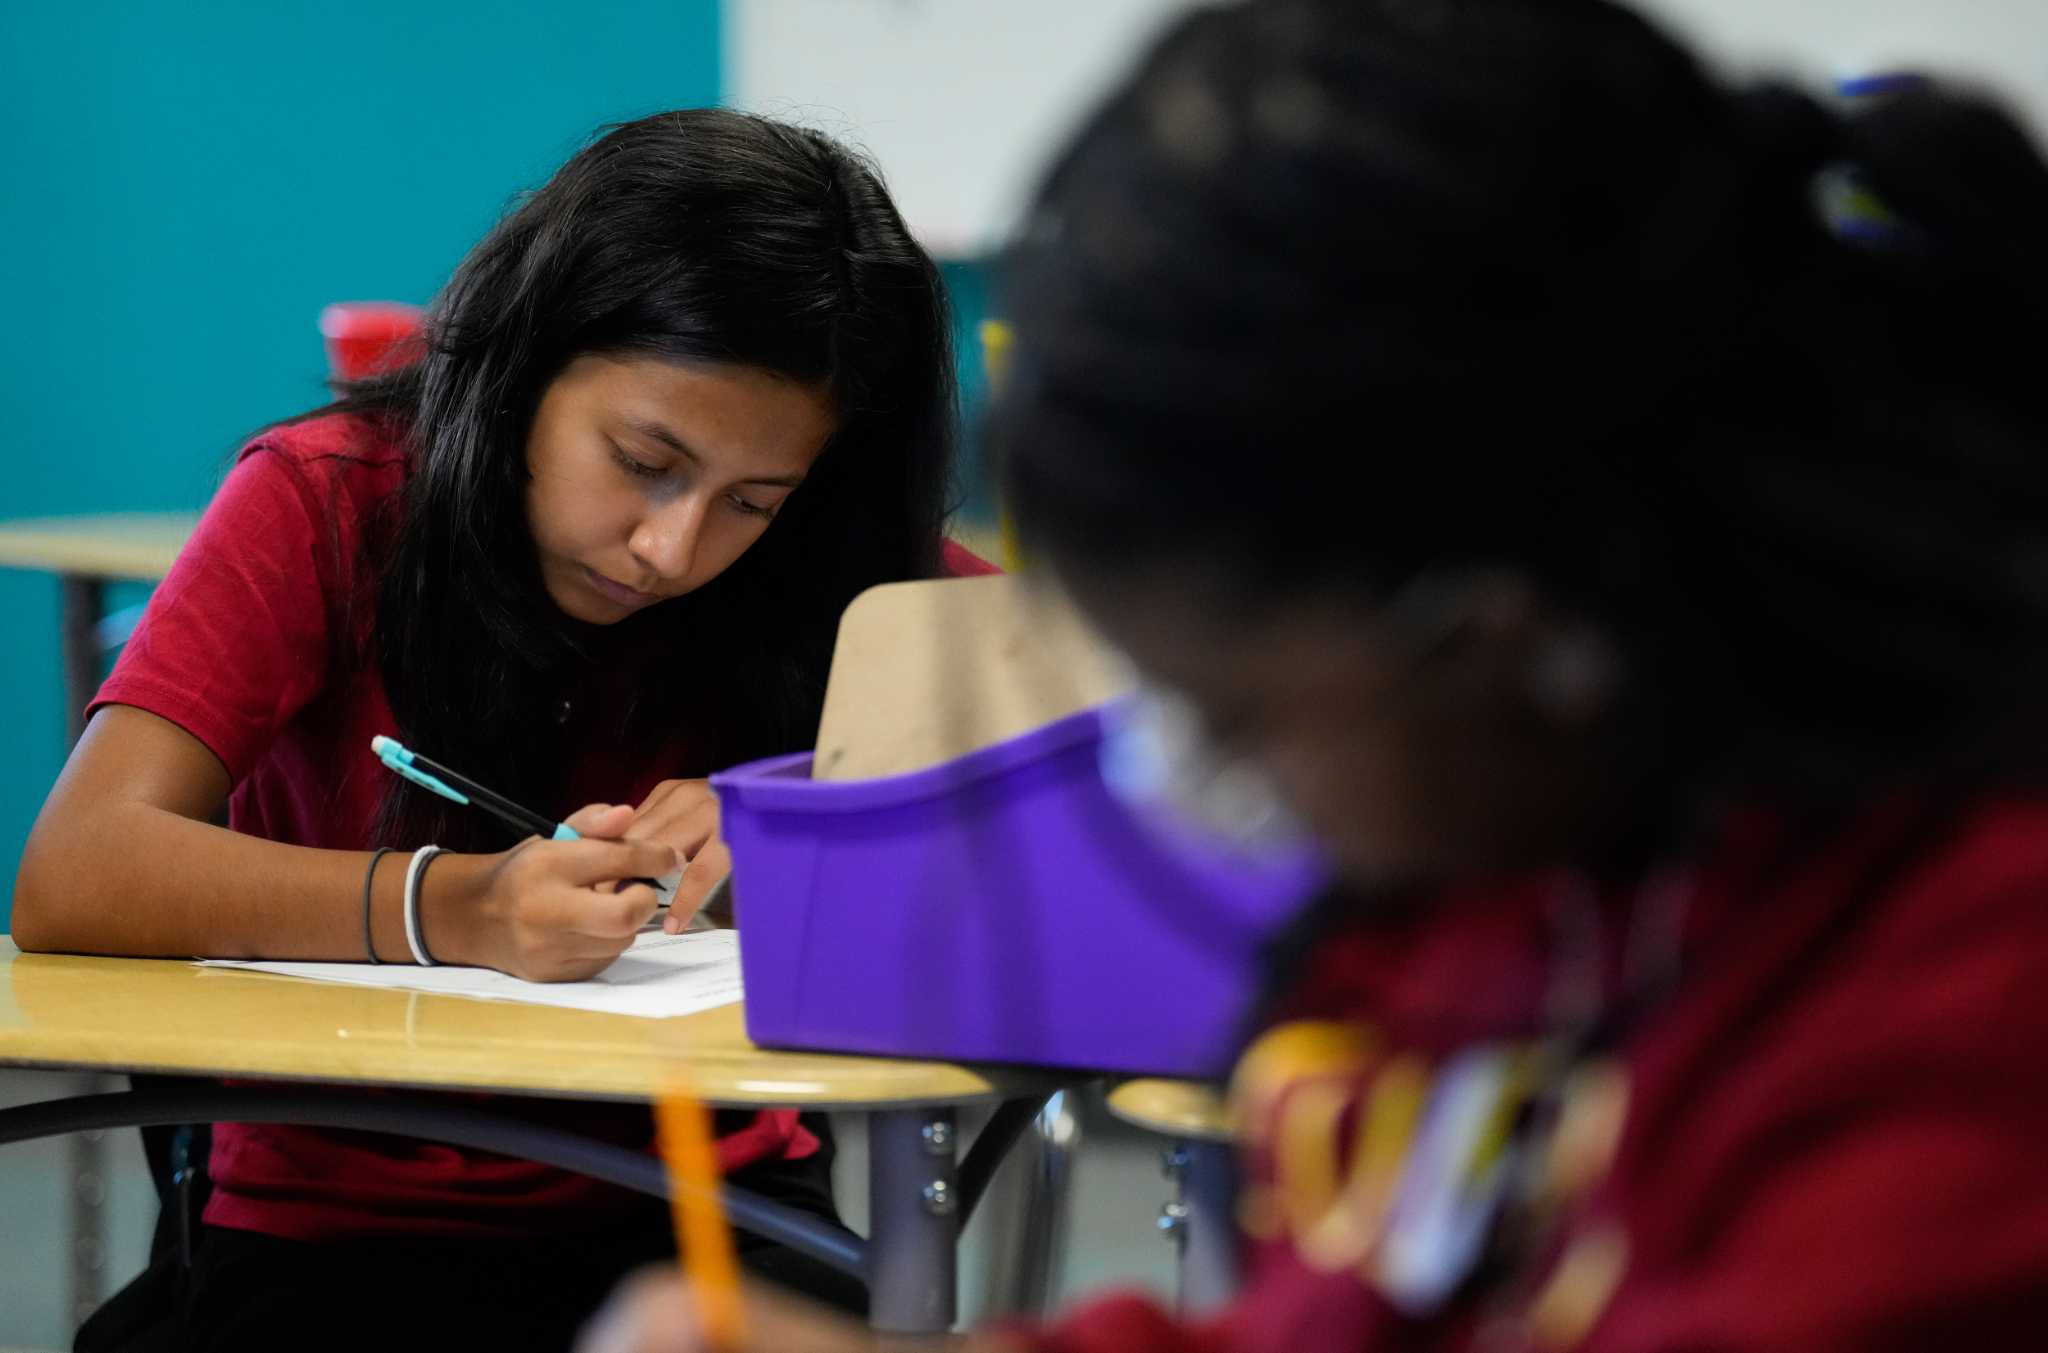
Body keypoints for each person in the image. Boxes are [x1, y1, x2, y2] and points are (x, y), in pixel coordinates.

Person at [579, 1, 2048, 1349]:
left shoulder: (1969, 1008)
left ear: (1512, 640)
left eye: (1239, 718)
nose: (1191, 784)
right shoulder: (1503, 890)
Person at [13, 106, 992, 1351]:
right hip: (336, 1218)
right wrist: (454, 909)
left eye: (752, 498)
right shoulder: (327, 502)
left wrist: (800, 811)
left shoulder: (831, 563)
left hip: (712, 1189)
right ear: (524, 361)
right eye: (643, 459)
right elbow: (77, 870)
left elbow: (1087, 735)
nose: (672, 548)